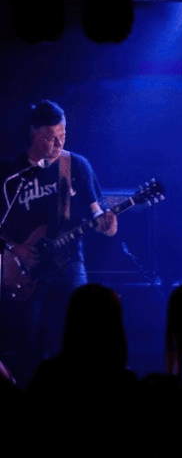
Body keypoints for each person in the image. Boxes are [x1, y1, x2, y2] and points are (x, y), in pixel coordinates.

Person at [0, 100, 117, 385]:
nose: (58, 142)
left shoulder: (75, 164)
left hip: (68, 261)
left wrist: (107, 224)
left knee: (80, 329)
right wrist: (13, 249)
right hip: (26, 267)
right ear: (33, 133)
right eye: (50, 136)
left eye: (62, 135)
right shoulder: (11, 175)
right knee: (29, 339)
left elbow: (97, 214)